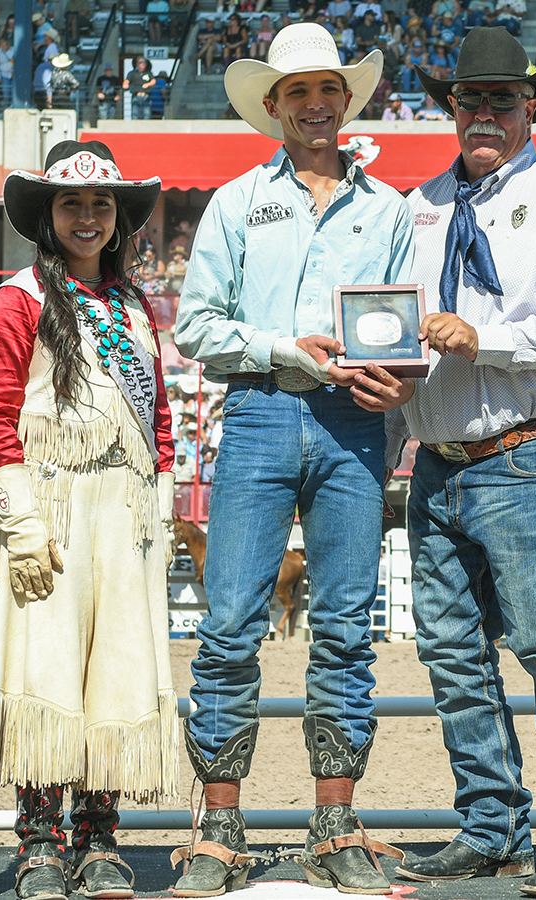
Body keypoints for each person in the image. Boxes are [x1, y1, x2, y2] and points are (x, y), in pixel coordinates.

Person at [172, 24, 412, 897]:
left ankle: (334, 821)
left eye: (328, 90)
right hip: (266, 412)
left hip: (353, 425)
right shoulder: (236, 203)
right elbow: (195, 327)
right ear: (272, 106)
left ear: (347, 102)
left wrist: (394, 387)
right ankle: (220, 824)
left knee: (345, 630)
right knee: (231, 623)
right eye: (298, 92)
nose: (316, 105)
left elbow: (401, 330)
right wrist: (288, 350)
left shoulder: (388, 211)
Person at [387, 28, 536, 897]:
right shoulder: (421, 204)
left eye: (501, 99)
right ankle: (490, 821)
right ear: (451, 108)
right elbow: (398, 325)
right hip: (438, 460)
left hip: (530, 450)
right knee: (451, 653)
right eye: (469, 99)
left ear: (531, 108)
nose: (483, 112)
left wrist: (486, 339)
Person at [0, 139, 180, 900]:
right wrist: (18, 525)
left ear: (119, 219)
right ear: (48, 216)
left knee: (115, 669)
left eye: (101, 204)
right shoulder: (17, 299)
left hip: (123, 508)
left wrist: (164, 502)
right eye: (73, 203)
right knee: (41, 671)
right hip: (45, 505)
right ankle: (40, 844)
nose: (88, 217)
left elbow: (161, 421)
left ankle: (100, 838)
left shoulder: (135, 308)